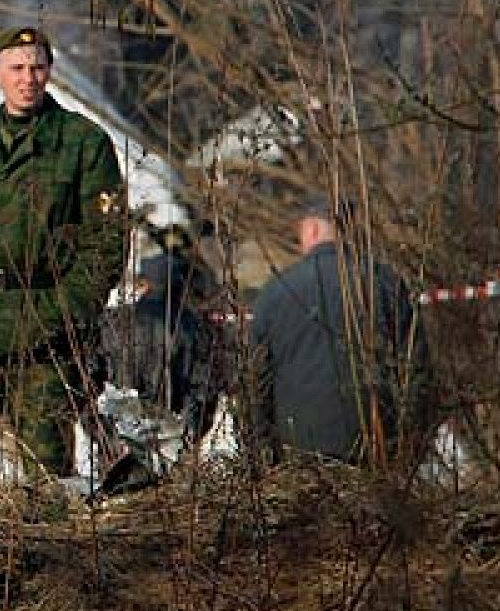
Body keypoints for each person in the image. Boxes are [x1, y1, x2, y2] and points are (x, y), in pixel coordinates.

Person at [0, 25, 127, 477]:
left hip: (48, 333)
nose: (27, 78)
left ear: (50, 72)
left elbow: (106, 244)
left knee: (46, 474)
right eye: (16, 68)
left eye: (37, 68)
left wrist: (62, 312)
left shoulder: (83, 144)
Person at [245, 195, 431, 467]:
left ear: (312, 229)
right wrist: (410, 443)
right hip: (374, 443)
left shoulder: (276, 291)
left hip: (298, 446)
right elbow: (417, 366)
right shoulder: (383, 281)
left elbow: (256, 380)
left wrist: (262, 452)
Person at [98, 237, 222, 446]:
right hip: (172, 433)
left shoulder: (114, 322)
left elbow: (95, 373)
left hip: (118, 433)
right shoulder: (195, 327)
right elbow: (204, 387)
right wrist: (191, 433)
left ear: (144, 284)